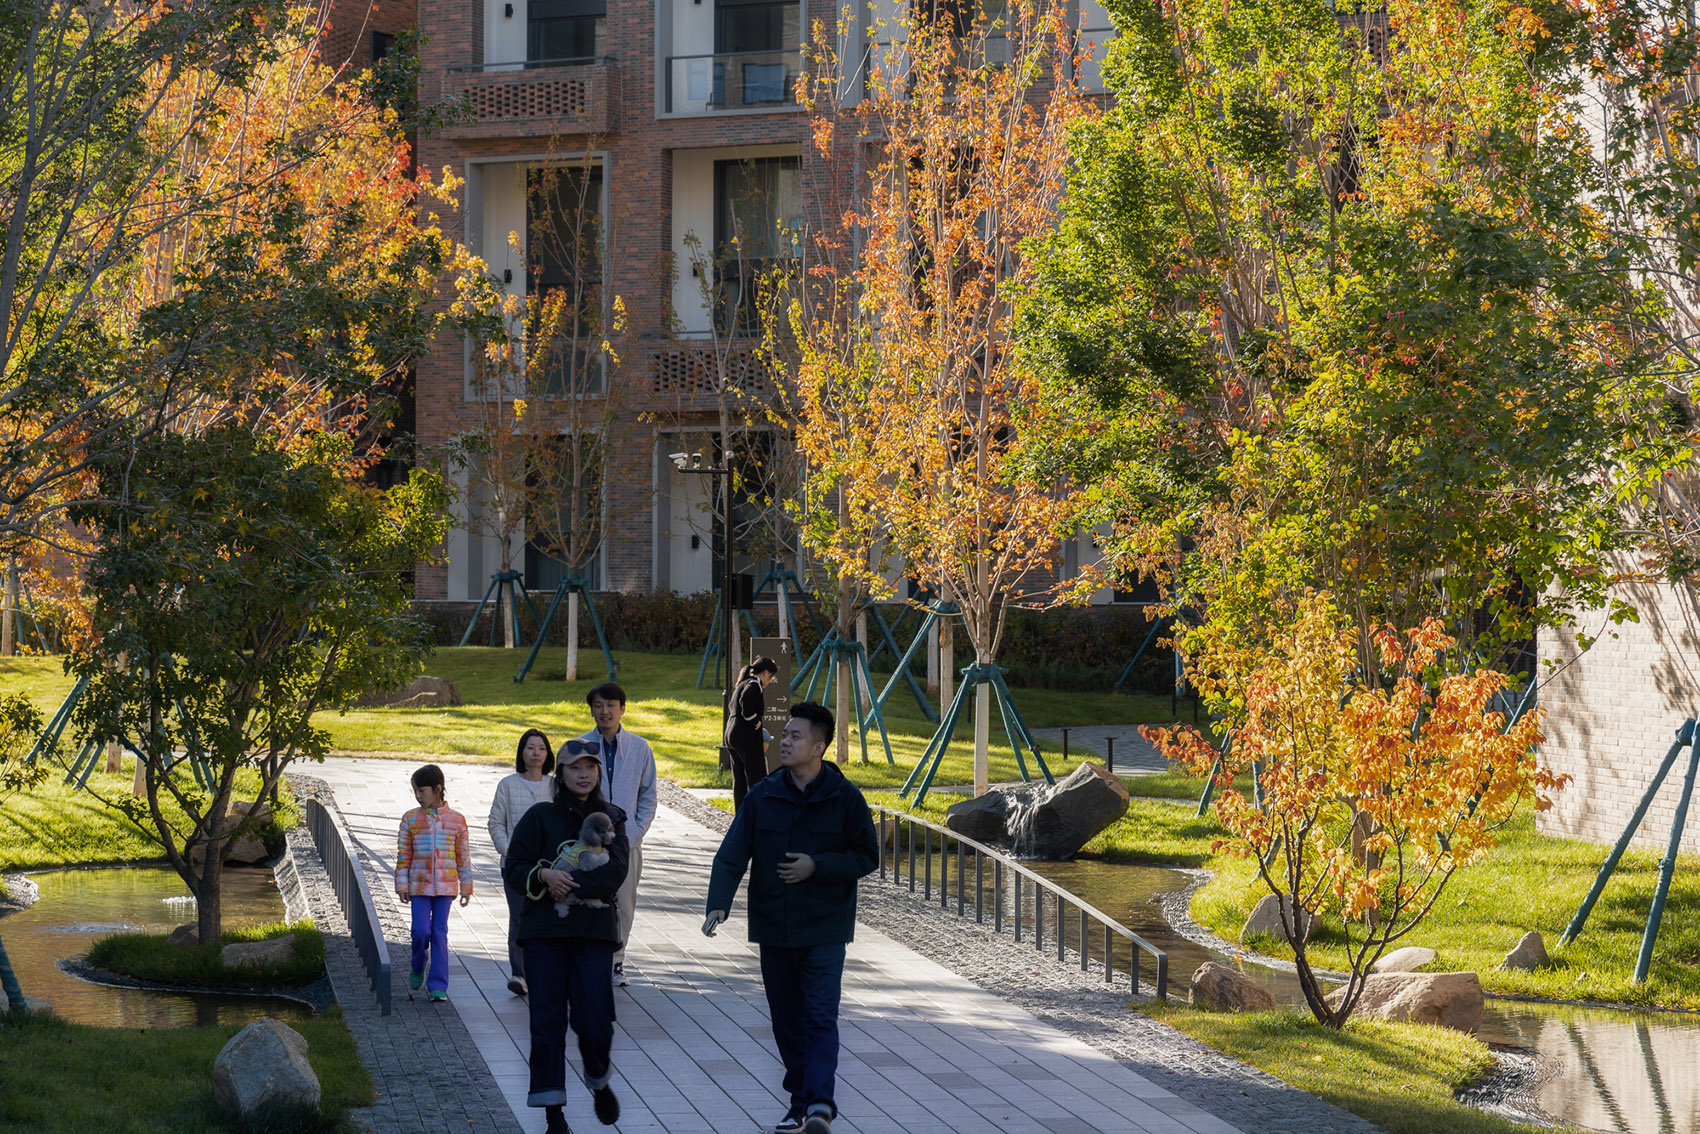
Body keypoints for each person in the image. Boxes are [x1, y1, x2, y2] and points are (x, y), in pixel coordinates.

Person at [703, 701, 877, 1134]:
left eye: (795, 736)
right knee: (786, 1020)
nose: (784, 741)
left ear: (819, 747)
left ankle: (818, 1104)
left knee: (819, 1015)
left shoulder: (846, 798)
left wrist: (817, 865)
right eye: (784, 735)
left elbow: (866, 856)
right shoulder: (764, 795)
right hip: (774, 926)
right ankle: (801, 1101)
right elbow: (731, 854)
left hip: (825, 927)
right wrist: (717, 903)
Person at [503, 745, 628, 1133]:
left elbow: (616, 871)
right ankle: (553, 1114)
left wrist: (568, 884)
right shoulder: (540, 816)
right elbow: (515, 866)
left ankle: (598, 1078)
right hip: (545, 935)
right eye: (575, 767)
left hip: (593, 934)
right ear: (562, 774)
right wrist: (544, 877)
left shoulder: (612, 819)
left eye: (590, 766)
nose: (583, 774)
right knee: (546, 1022)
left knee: (595, 1019)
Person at [568, 681, 656, 987]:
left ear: (622, 709)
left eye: (611, 705)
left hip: (627, 842)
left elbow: (648, 796)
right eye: (598, 706)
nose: (604, 711)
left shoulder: (640, 747)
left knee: (624, 903)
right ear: (591, 710)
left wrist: (632, 834)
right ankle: (587, 957)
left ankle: (617, 961)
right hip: (587, 843)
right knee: (586, 898)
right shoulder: (579, 746)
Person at [394, 763, 473, 1003]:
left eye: (422, 791)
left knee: (439, 933)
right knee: (420, 931)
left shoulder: (457, 821)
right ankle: (418, 964)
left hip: (445, 887)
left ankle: (438, 985)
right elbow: (403, 854)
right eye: (415, 792)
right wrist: (402, 884)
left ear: (438, 789)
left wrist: (466, 886)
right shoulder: (410, 819)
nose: (418, 796)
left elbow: (464, 856)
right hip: (419, 887)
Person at [488, 728, 557, 997]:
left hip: (550, 868)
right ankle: (519, 974)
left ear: (548, 753)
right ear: (522, 752)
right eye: (530, 747)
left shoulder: (555, 787)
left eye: (541, 748)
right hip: (515, 867)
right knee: (519, 918)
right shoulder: (507, 785)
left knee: (547, 918)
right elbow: (495, 823)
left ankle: (543, 971)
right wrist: (510, 852)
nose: (536, 753)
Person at [726, 655, 779, 812]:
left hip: (731, 733)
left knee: (740, 779)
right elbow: (746, 702)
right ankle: (756, 816)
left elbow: (733, 704)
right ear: (765, 672)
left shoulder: (742, 682)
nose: (770, 681)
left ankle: (740, 816)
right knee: (756, 776)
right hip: (745, 735)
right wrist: (754, 719)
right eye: (771, 676)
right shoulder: (754, 684)